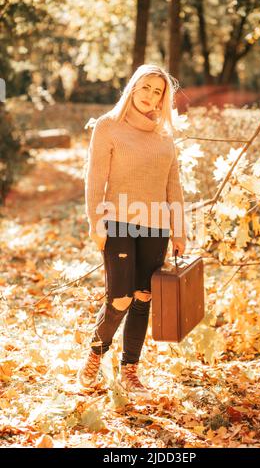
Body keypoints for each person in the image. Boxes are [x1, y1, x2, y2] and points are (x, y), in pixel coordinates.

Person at [77, 63, 187, 401]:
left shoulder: (165, 136)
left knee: (143, 297)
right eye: (146, 88)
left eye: (158, 91)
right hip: (118, 222)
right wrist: (96, 223)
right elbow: (95, 179)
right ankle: (96, 353)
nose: (151, 96)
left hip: (156, 225)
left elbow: (174, 186)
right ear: (133, 88)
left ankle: (131, 370)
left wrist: (179, 230)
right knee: (120, 297)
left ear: (163, 99)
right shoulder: (108, 126)